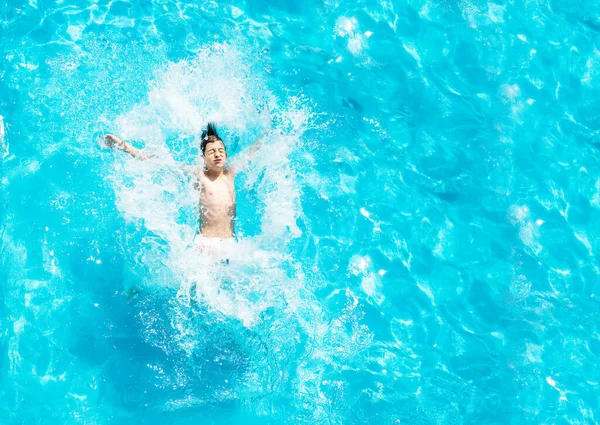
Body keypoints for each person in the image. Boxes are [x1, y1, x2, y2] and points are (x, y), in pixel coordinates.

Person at [104, 123, 263, 249]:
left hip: (229, 244)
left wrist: (269, 133)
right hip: (206, 245)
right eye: (211, 151)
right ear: (203, 158)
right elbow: (158, 162)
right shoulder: (199, 175)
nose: (217, 154)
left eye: (221, 150)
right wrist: (122, 146)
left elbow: (253, 149)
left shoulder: (230, 174)